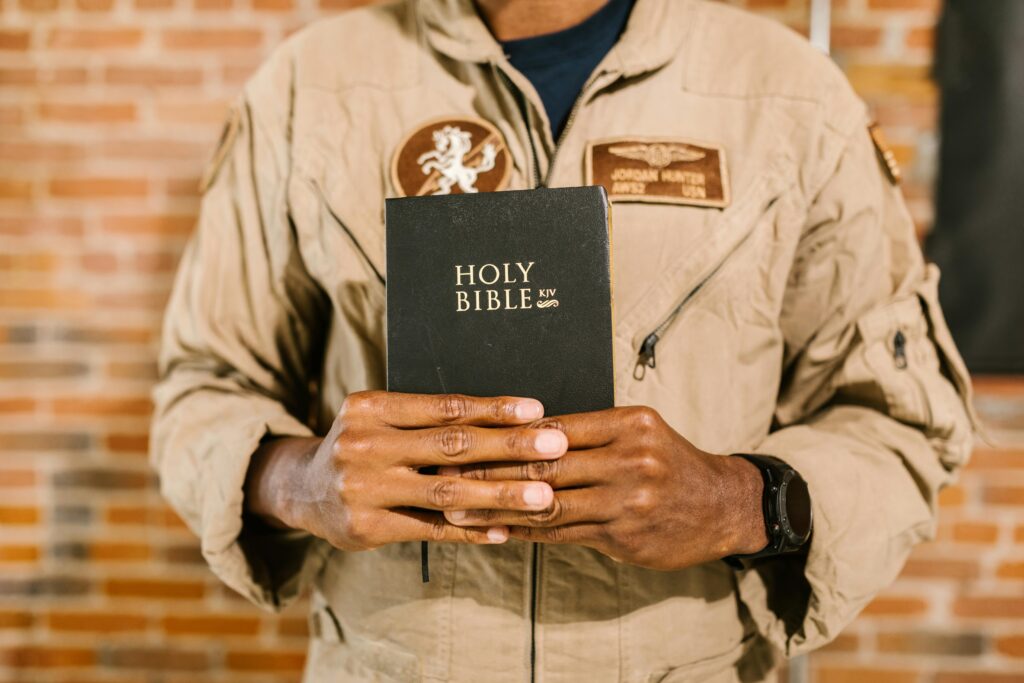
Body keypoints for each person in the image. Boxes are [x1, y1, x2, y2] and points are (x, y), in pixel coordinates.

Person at [151, 0, 979, 680]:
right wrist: (302, 482)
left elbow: (901, 419)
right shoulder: (307, 89)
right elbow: (204, 382)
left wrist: (738, 500)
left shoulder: (791, 97)